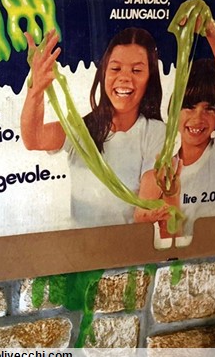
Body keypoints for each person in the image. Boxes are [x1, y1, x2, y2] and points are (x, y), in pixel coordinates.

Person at [20, 28, 165, 228]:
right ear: (104, 73)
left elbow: (143, 211)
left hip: (127, 244)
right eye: (115, 68)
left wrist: (160, 210)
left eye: (137, 70)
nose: (124, 77)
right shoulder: (81, 128)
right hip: (80, 243)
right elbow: (34, 139)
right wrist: (36, 90)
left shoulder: (155, 132)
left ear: (150, 77)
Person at [135, 17, 215, 247]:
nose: (198, 117)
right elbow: (154, 238)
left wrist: (211, 34)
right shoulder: (154, 178)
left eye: (209, 108)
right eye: (189, 106)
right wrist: (157, 212)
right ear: (174, 110)